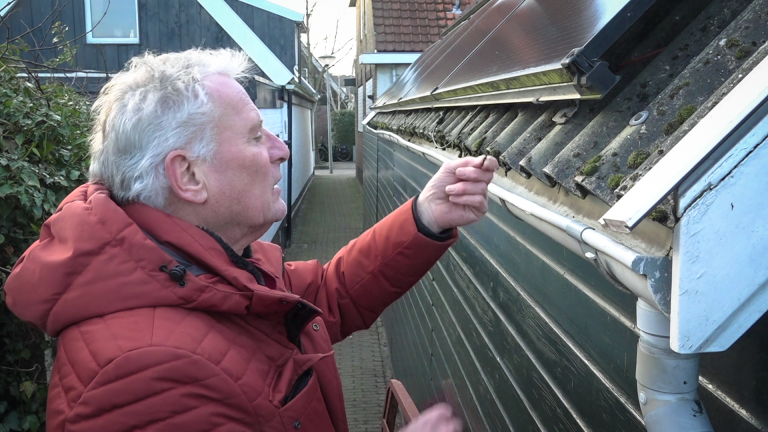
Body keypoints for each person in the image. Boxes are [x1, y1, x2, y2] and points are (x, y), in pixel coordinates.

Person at [4, 49, 498, 431]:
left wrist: (426, 215)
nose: (281, 149)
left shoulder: (209, 268)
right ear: (189, 176)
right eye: (256, 135)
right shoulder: (143, 376)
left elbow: (325, 297)